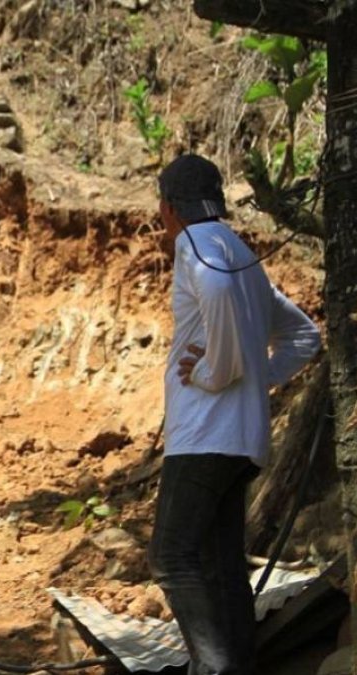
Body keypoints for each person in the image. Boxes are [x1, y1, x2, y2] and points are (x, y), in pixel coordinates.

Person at [147, 154, 321, 674]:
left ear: (168, 207)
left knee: (171, 556)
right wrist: (256, 378)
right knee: (222, 569)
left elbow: (216, 293)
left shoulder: (195, 242)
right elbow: (304, 336)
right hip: (242, 440)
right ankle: (238, 665)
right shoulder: (242, 254)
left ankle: (215, 667)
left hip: (203, 436)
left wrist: (215, 374)